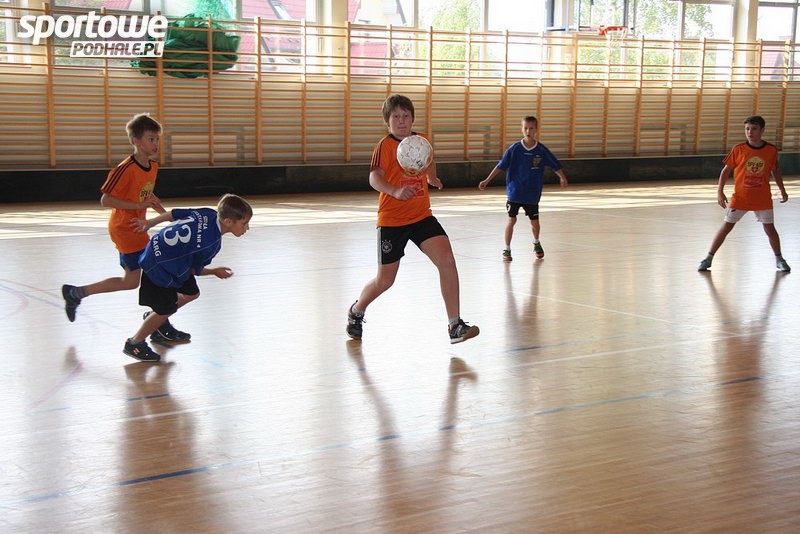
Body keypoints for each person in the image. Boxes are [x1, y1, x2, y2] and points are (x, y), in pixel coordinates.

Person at [346, 94, 479, 344]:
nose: (401, 121)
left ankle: (455, 325)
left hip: (421, 216)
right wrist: (395, 190)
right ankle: (356, 311)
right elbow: (374, 178)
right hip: (392, 221)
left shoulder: (422, 141)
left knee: (447, 261)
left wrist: (431, 177)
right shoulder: (384, 146)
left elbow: (429, 161)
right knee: (385, 280)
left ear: (412, 118)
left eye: (405, 116)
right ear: (387, 121)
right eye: (396, 116)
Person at [61, 113, 190, 343]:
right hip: (125, 229)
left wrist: (165, 215)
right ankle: (160, 322)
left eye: (157, 139)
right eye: (151, 139)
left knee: (131, 282)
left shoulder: (152, 166)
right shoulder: (125, 168)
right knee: (158, 273)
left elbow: (146, 195)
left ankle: (76, 293)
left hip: (138, 228)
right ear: (135, 141)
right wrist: (139, 206)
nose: (155, 144)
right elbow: (106, 200)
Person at [122, 193, 253, 361]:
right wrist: (214, 271)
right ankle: (134, 343)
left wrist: (150, 223)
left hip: (158, 250)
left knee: (192, 293)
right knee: (166, 309)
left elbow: (174, 214)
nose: (247, 228)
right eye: (244, 223)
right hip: (159, 266)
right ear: (228, 221)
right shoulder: (211, 244)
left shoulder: (208, 213)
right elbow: (194, 270)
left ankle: (154, 318)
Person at [697, 115, 790, 273]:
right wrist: (720, 191)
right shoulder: (738, 149)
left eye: (754, 129)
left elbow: (775, 171)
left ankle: (779, 259)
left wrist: (782, 189)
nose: (750, 132)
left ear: (762, 130)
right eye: (747, 129)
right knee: (726, 227)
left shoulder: (771, 150)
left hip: (762, 198)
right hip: (741, 198)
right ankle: (708, 258)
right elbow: (726, 170)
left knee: (770, 229)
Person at [478, 115, 568, 261]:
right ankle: (507, 249)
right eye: (525, 128)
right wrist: (487, 180)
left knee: (534, 222)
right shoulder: (515, 149)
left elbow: (554, 164)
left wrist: (562, 177)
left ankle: (536, 242)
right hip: (515, 192)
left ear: (536, 129)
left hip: (532, 193)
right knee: (511, 220)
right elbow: (501, 165)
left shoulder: (541, 150)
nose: (528, 131)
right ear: (521, 129)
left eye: (531, 128)